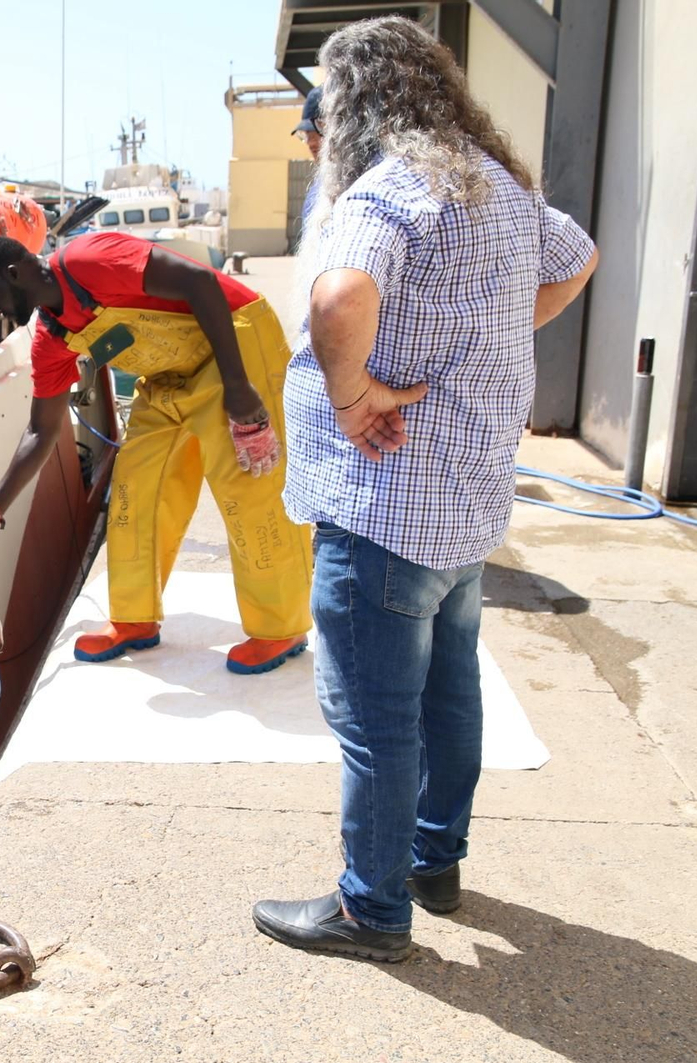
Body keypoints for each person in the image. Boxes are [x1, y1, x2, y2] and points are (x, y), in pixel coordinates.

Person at [252, 17, 599, 962]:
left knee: (376, 718)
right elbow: (577, 256)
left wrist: (351, 392)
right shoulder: (497, 186)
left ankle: (372, 907)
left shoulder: (390, 189)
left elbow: (337, 299)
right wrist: (496, 331)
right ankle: (434, 862)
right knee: (450, 694)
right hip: (465, 508)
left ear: (358, 102)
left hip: (383, 507)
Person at [0, 230, 313, 673]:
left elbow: (200, 283)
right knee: (134, 488)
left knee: (249, 485)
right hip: (168, 377)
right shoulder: (52, 339)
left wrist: (238, 387)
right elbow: (41, 430)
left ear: (14, 273)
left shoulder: (88, 259)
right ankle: (134, 618)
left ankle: (280, 628)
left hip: (234, 346)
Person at [293, 86, 324, 227]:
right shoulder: (317, 189)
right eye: (306, 136)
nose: (310, 143)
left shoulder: (358, 184)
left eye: (315, 133)